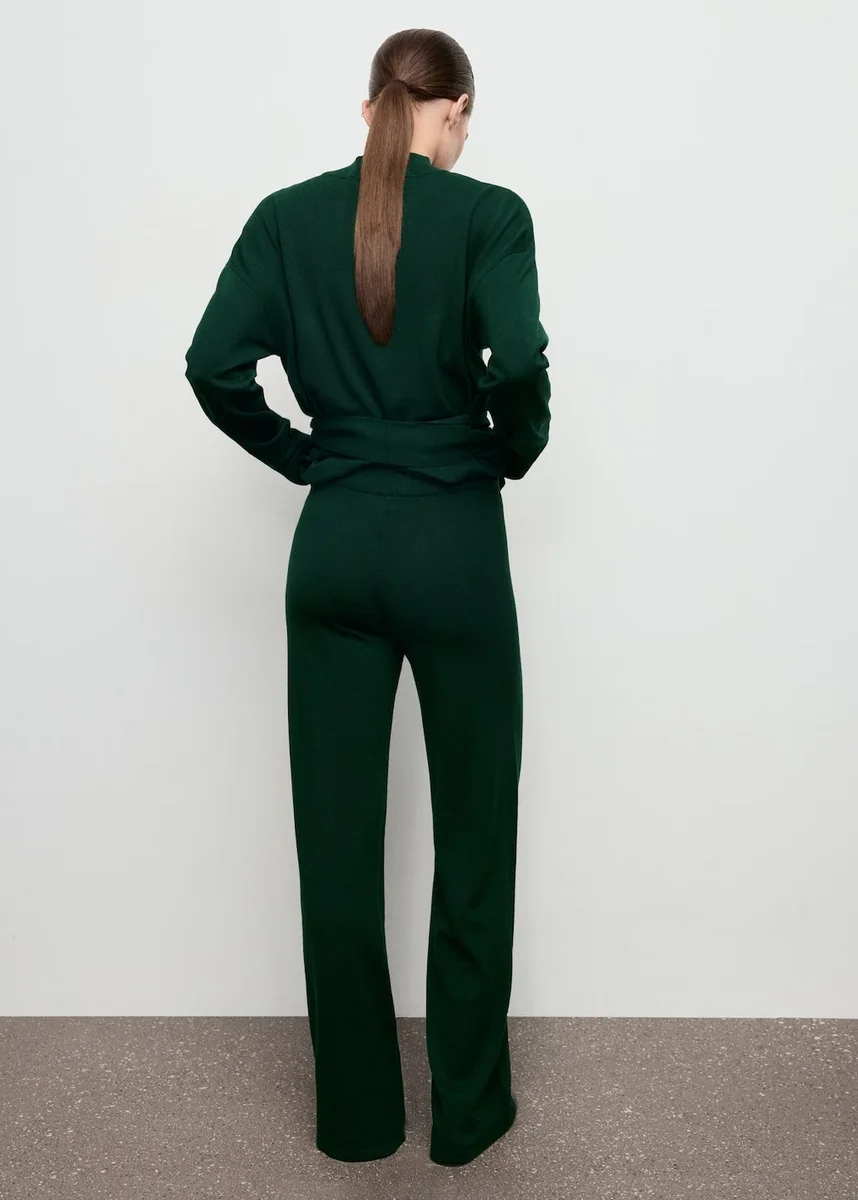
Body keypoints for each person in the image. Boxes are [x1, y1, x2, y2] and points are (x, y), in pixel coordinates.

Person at [184, 26, 551, 1168]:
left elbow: (210, 365)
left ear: (368, 108)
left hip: (336, 543)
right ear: (456, 111)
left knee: (335, 845)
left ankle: (357, 1117)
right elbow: (519, 359)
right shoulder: (490, 216)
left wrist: (311, 459)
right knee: (475, 833)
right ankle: (469, 1111)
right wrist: (507, 451)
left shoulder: (286, 217)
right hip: (453, 544)